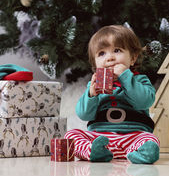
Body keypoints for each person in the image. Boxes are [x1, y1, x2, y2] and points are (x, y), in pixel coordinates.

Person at [65, 25, 160, 164]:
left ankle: (138, 153)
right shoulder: (94, 86)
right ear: (95, 64)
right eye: (101, 53)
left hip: (133, 136)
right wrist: (92, 95)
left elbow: (144, 102)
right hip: (100, 137)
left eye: (117, 50)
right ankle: (95, 152)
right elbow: (84, 114)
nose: (109, 58)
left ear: (132, 58)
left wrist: (126, 76)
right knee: (71, 135)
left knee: (151, 140)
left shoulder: (139, 80)